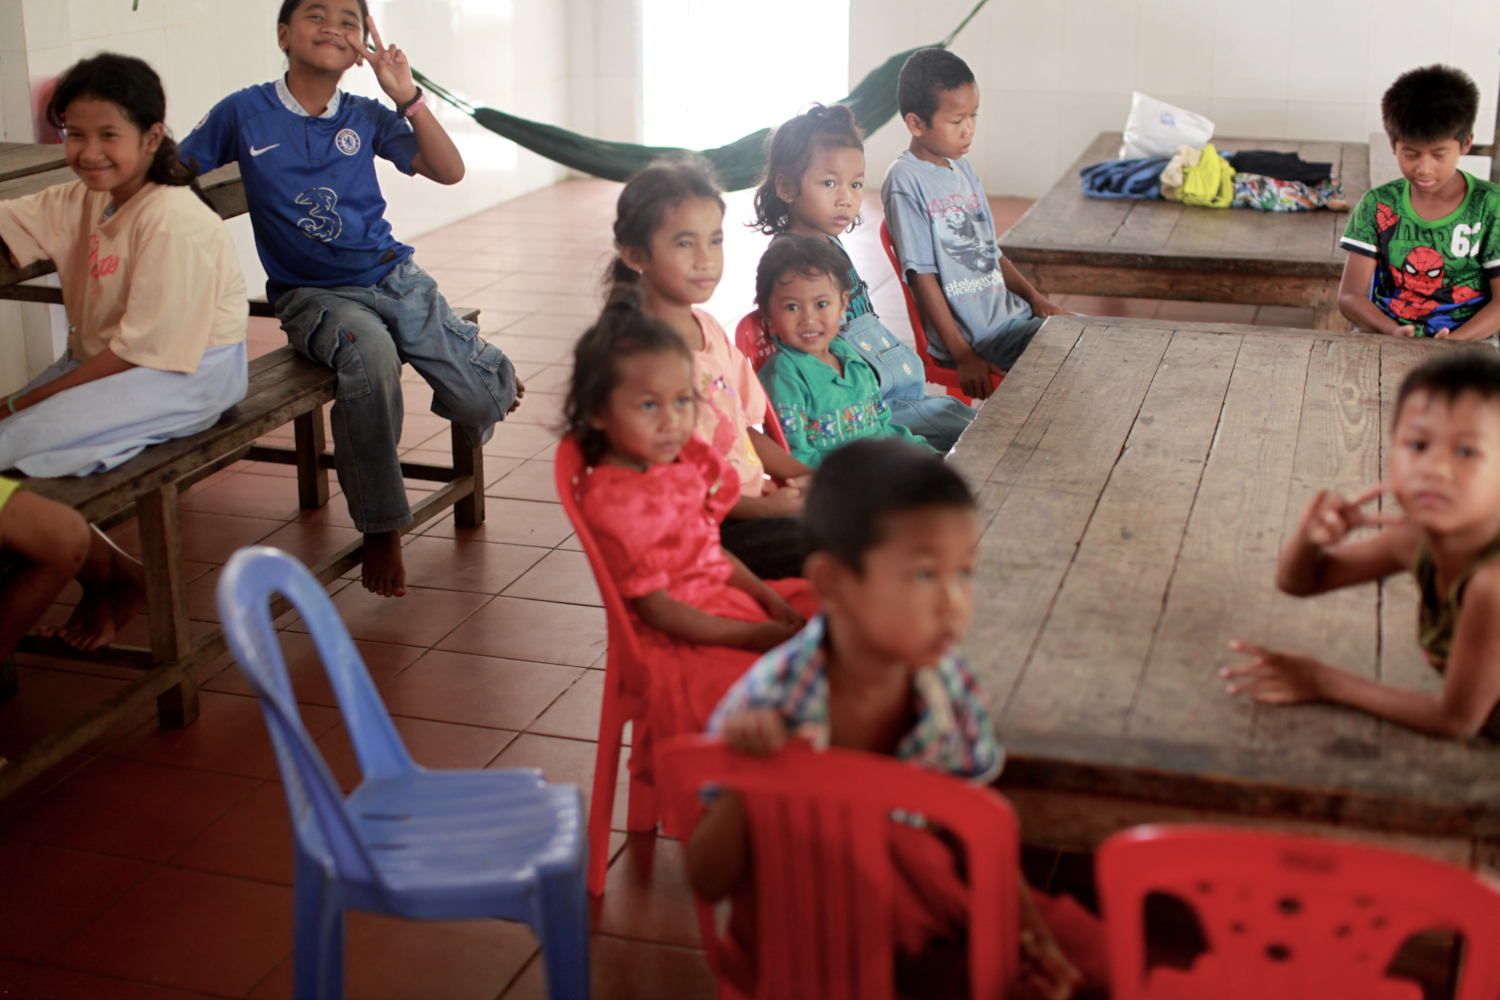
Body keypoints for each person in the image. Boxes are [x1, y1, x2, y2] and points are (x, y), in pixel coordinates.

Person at [685, 440, 1104, 1000]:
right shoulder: (769, 703)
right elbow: (706, 879)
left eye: (966, 574)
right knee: (881, 848)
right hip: (808, 953)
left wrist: (1029, 937)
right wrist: (747, 777)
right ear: (832, 584)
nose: (955, 603)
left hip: (930, 930)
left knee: (1095, 958)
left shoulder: (946, 685)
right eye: (925, 575)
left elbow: (982, 838)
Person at [178, 0, 523, 599]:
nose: (335, 26)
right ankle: (383, 525)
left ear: (363, 45)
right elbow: (176, 169)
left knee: (477, 398)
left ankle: (489, 376)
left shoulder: (366, 114)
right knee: (373, 358)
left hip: (393, 276)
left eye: (350, 19)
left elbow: (450, 170)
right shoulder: (244, 111)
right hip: (313, 296)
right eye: (317, 13)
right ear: (284, 34)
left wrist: (406, 96)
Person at [562, 289, 819, 776]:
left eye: (683, 401)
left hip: (723, 604)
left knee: (825, 613)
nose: (674, 422)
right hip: (682, 639)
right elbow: (659, 610)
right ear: (597, 412)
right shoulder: (619, 500)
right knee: (785, 689)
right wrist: (751, 634)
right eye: (648, 406)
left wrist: (767, 600)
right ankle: (761, 809)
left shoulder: (673, 468)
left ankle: (824, 790)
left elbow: (712, 556)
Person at [1225, 351, 1500, 739]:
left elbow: (1457, 720)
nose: (1435, 468)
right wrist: (1310, 538)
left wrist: (1321, 680)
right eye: (1418, 445)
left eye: (1466, 451)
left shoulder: (1493, 583)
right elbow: (1299, 582)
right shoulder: (1414, 539)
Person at [0, 53, 249, 479]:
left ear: (151, 138)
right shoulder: (95, 193)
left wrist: (17, 401)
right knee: (17, 435)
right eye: (75, 134)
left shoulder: (173, 223)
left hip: (181, 375)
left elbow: (135, 356)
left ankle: (68, 542)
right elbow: (14, 218)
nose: (89, 152)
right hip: (115, 358)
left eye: (108, 135)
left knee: (12, 440)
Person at [608, 156, 812, 580]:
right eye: (685, 243)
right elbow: (674, 483)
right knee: (845, 549)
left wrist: (808, 477)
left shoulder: (707, 328)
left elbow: (744, 432)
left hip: (749, 509)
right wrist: (764, 509)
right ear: (635, 254)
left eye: (714, 240)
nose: (705, 259)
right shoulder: (641, 358)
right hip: (702, 534)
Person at [750, 104, 976, 450]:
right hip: (865, 410)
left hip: (893, 393)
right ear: (786, 187)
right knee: (973, 442)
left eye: (856, 185)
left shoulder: (829, 243)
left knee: (974, 425)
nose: (846, 199)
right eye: (829, 183)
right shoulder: (788, 264)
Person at [881, 49, 1070, 401]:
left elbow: (991, 253)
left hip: (1011, 320)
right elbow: (921, 277)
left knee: (1090, 336)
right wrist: (963, 355)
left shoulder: (962, 168)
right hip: (979, 339)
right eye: (956, 120)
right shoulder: (905, 180)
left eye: (973, 116)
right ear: (916, 123)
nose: (969, 130)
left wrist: (1036, 298)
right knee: (1076, 359)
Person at [1337, 64, 1500, 341]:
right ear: (1393, 144)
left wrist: (1455, 341)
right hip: (1387, 334)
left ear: (1465, 143)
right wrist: (1392, 330)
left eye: (1439, 155)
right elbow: (1350, 296)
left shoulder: (1490, 206)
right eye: (1411, 154)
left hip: (1470, 341)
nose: (1424, 169)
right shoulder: (1378, 204)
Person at [755, 236, 938, 467]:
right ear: (768, 314)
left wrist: (925, 454)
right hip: (844, 488)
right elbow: (796, 457)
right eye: (792, 307)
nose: (809, 319)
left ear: (842, 305)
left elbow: (882, 426)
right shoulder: (784, 377)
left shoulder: (850, 356)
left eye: (821, 304)